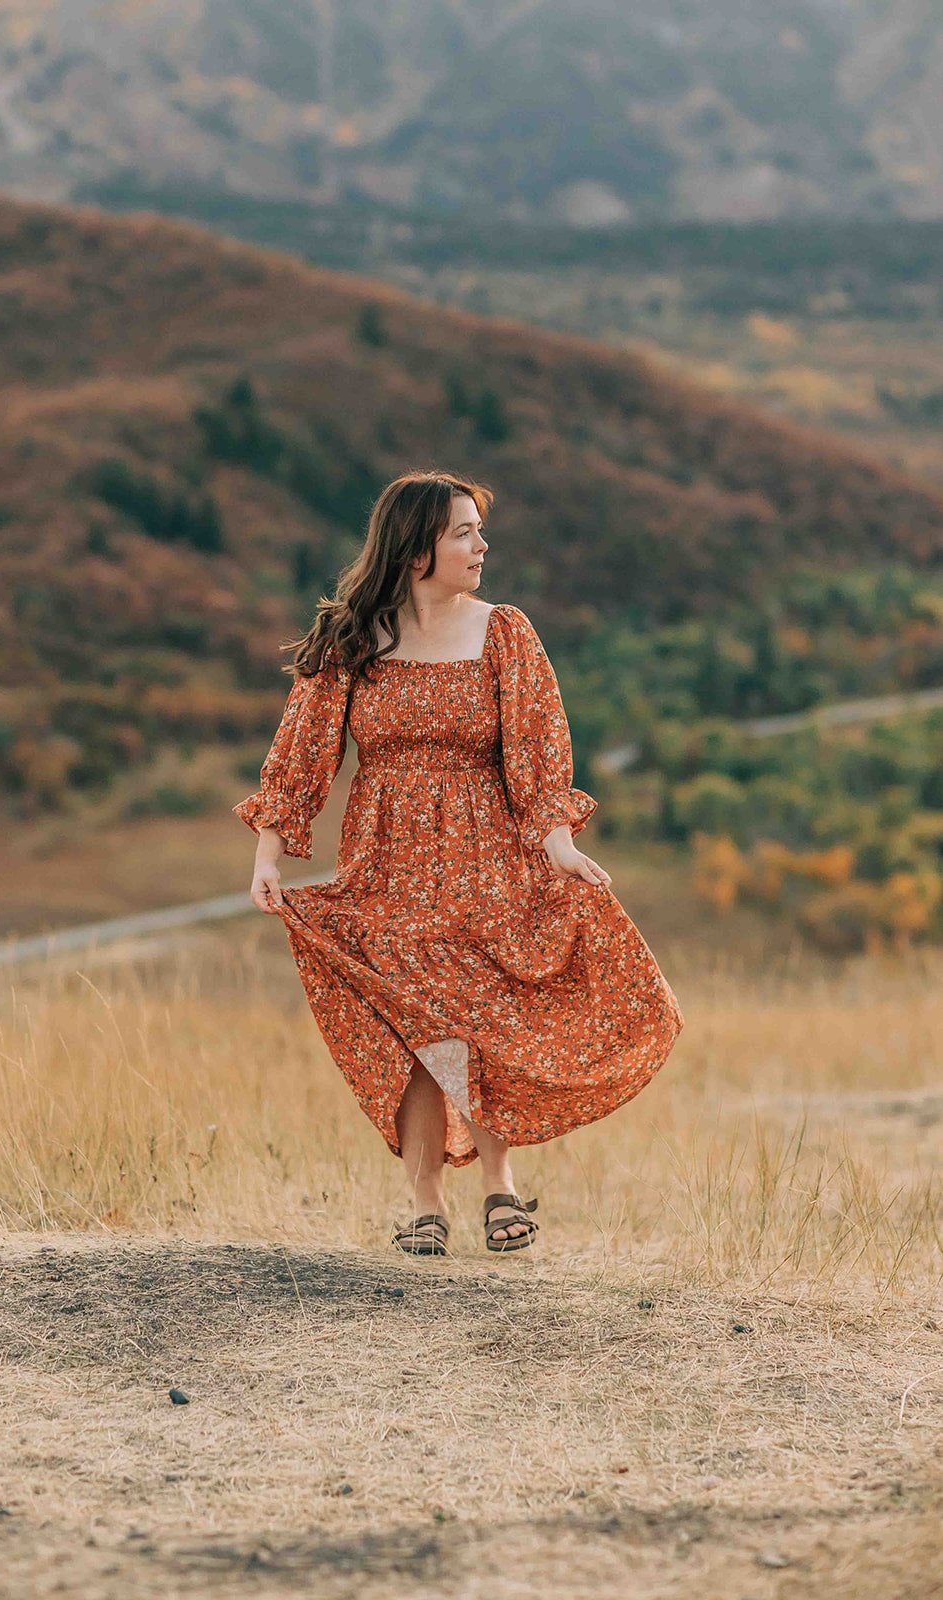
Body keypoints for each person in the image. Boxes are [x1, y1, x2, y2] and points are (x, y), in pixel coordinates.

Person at [235, 470, 683, 1256]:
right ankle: (425, 1201)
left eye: (479, 531)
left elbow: (538, 750)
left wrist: (557, 840)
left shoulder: (504, 630)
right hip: (385, 861)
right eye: (463, 533)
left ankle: (498, 1186)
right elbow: (301, 753)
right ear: (416, 551)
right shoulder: (352, 639)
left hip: (485, 857)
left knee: (478, 1017)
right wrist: (268, 855)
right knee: (417, 1024)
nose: (482, 546)